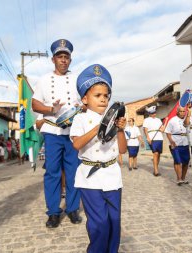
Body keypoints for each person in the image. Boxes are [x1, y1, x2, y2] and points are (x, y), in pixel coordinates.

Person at [70, 64, 126, 253]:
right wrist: (98, 128)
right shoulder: (80, 119)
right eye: (97, 95)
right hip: (90, 178)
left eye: (106, 96)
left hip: (112, 175)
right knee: (99, 224)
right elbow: (77, 144)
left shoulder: (114, 120)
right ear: (85, 99)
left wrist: (120, 130)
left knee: (114, 221)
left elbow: (123, 150)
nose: (103, 99)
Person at [31, 39, 82, 228]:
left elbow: (85, 100)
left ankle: (72, 208)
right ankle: (53, 212)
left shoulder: (77, 79)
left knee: (73, 172)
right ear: (53, 59)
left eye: (66, 57)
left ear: (70, 59)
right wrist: (51, 110)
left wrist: (81, 107)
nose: (63, 60)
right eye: (60, 57)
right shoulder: (44, 80)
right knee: (52, 172)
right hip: (52, 131)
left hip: (73, 132)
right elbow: (34, 104)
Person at [165, 106, 190, 185]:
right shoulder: (172, 120)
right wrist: (171, 141)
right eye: (181, 111)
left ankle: (183, 178)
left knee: (186, 162)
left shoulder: (188, 120)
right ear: (177, 112)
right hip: (175, 143)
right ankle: (178, 179)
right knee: (178, 161)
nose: (183, 113)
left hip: (185, 142)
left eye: (184, 111)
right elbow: (168, 132)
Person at [143, 106, 165, 176]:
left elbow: (162, 129)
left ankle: (156, 167)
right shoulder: (146, 120)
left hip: (159, 137)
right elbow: (145, 130)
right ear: (149, 113)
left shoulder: (158, 120)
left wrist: (163, 128)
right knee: (155, 153)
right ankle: (156, 170)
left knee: (158, 154)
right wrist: (148, 138)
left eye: (155, 113)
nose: (154, 114)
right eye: (152, 113)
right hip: (152, 137)